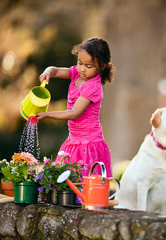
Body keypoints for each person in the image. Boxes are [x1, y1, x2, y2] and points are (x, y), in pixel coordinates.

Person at [36, 37, 115, 177]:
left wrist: (47, 114)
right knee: (64, 182)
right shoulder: (75, 74)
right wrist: (48, 72)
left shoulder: (93, 87)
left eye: (88, 66)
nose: (82, 69)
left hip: (88, 144)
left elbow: (74, 113)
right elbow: (55, 71)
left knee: (84, 184)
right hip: (73, 140)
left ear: (101, 66)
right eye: (80, 63)